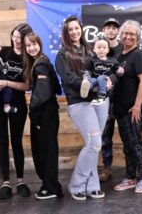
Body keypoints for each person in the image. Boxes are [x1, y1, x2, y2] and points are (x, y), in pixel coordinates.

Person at [55, 16, 110, 200]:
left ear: (81, 29)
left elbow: (101, 69)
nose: (74, 32)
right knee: (94, 143)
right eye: (70, 29)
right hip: (79, 102)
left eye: (76, 28)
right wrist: (87, 85)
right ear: (66, 32)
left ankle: (92, 185)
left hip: (100, 101)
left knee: (94, 145)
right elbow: (68, 78)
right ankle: (77, 185)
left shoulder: (89, 51)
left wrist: (107, 81)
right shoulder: (62, 54)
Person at [0, 23, 33, 200]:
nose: (16, 39)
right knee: (2, 141)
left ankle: (21, 181)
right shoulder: (2, 51)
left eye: (19, 37)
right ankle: (5, 182)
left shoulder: (28, 57)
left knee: (16, 141)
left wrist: (7, 83)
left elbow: (27, 85)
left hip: (18, 102)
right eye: (14, 35)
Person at [23, 32, 63, 200]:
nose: (32, 48)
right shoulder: (39, 62)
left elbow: (42, 93)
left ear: (40, 44)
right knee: (46, 149)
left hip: (45, 114)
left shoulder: (41, 65)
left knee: (46, 151)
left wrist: (34, 114)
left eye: (34, 44)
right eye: (28, 45)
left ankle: (51, 187)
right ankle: (50, 185)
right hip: (47, 112)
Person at [113, 20, 142, 193]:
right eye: (126, 33)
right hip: (121, 110)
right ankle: (130, 177)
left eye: (132, 34)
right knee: (127, 144)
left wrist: (137, 106)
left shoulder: (138, 55)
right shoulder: (119, 55)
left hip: (134, 109)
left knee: (136, 143)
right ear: (121, 35)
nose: (128, 36)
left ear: (137, 36)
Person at [99, 17, 124, 182]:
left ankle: (132, 168)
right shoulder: (100, 50)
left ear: (118, 31)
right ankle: (107, 168)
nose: (111, 30)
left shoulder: (124, 49)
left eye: (114, 27)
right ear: (103, 30)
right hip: (105, 99)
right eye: (108, 27)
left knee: (127, 135)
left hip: (122, 99)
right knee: (105, 136)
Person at [80, 35, 124, 105]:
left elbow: (118, 71)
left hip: (105, 80)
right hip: (95, 80)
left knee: (101, 78)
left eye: (104, 47)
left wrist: (120, 71)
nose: (101, 49)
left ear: (108, 49)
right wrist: (85, 79)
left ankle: (101, 96)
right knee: (92, 80)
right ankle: (86, 89)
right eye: (99, 47)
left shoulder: (113, 61)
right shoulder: (92, 60)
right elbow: (88, 72)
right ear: (94, 49)